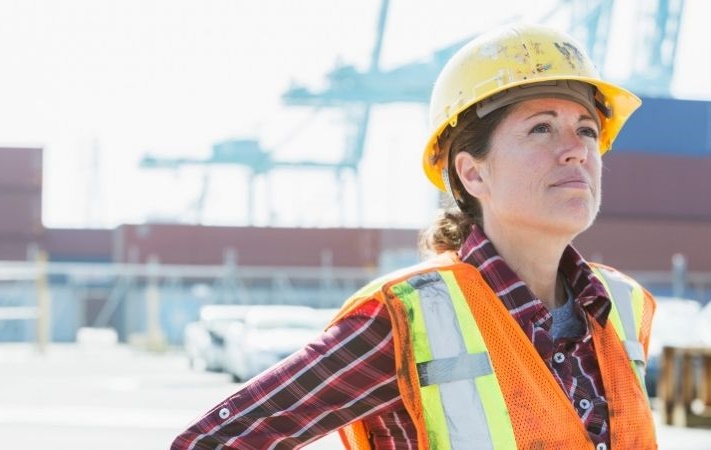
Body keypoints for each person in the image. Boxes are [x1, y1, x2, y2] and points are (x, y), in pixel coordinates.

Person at [171, 23, 657, 450]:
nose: (575, 151)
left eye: (587, 130)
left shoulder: (621, 307)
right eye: (542, 129)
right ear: (472, 174)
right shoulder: (410, 316)